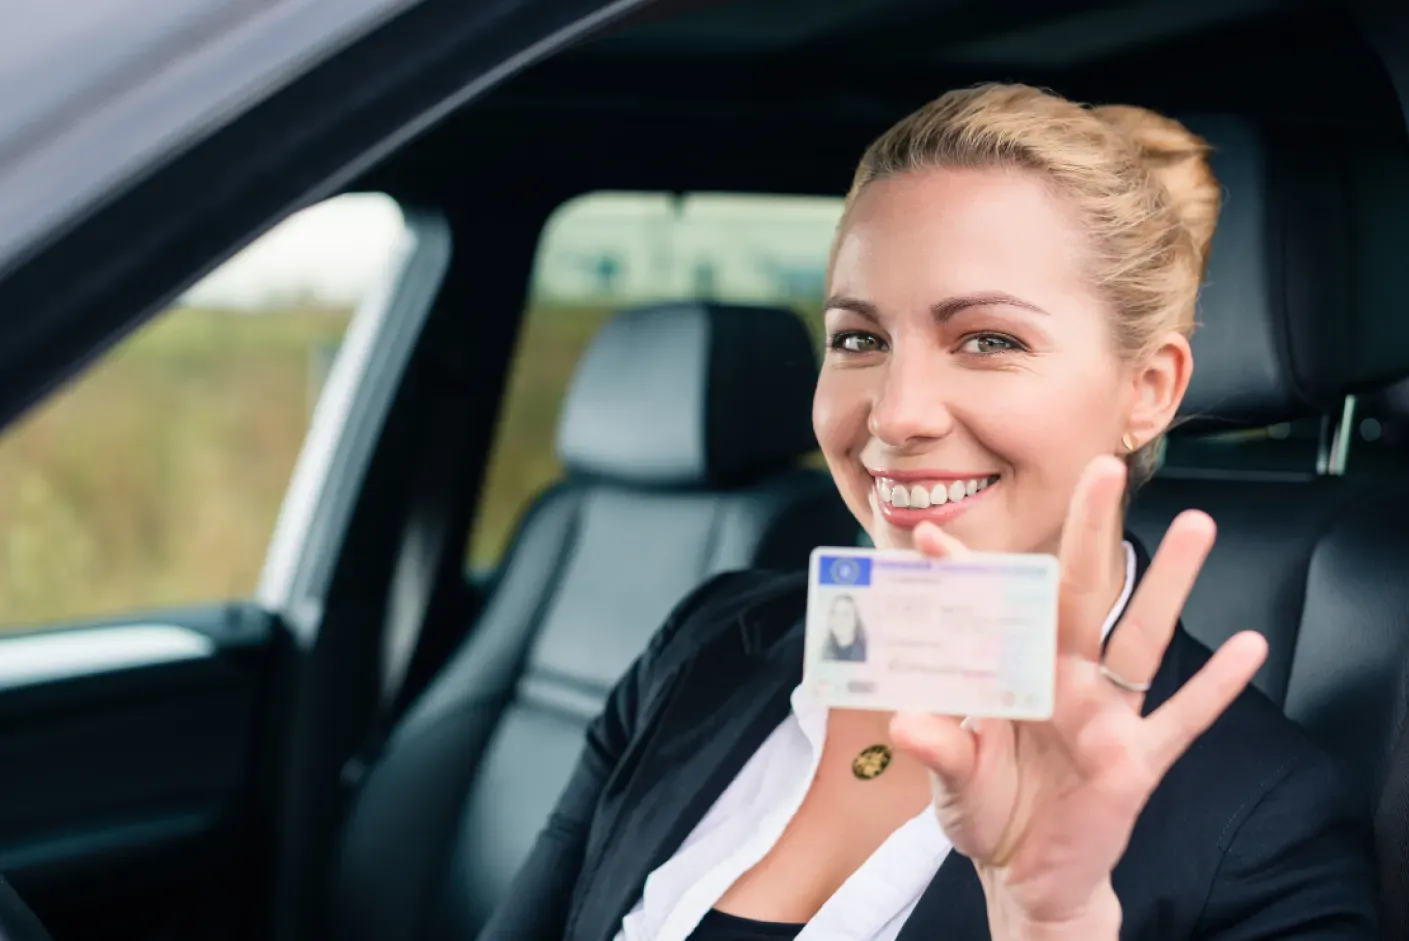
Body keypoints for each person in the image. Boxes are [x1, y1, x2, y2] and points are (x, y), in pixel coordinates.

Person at [478, 83, 1379, 940]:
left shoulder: (1265, 818)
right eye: (859, 339)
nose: (897, 412)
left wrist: (1049, 927)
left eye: (988, 340)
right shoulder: (706, 645)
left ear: (1146, 390)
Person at [822, 594, 867, 663]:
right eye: (834, 613)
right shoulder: (824, 652)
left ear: (856, 620)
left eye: (845, 614)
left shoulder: (866, 652)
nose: (838, 620)